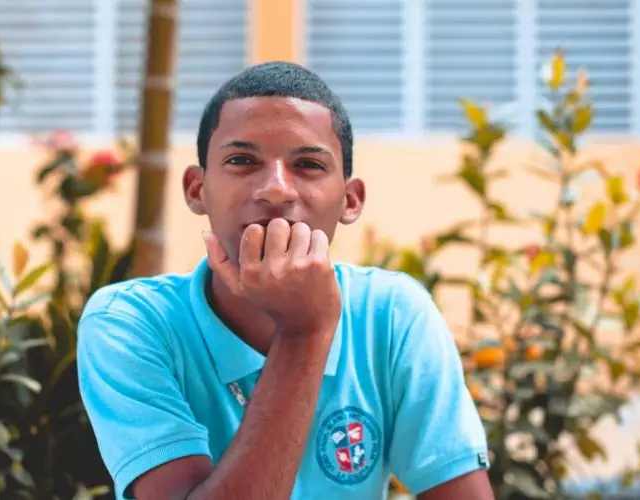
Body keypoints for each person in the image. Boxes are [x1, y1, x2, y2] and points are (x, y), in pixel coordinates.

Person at [76, 61, 492, 500]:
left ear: (350, 200)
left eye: (309, 164)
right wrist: (306, 330)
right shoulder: (129, 323)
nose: (276, 189)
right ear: (197, 190)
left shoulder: (392, 316)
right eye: (241, 160)